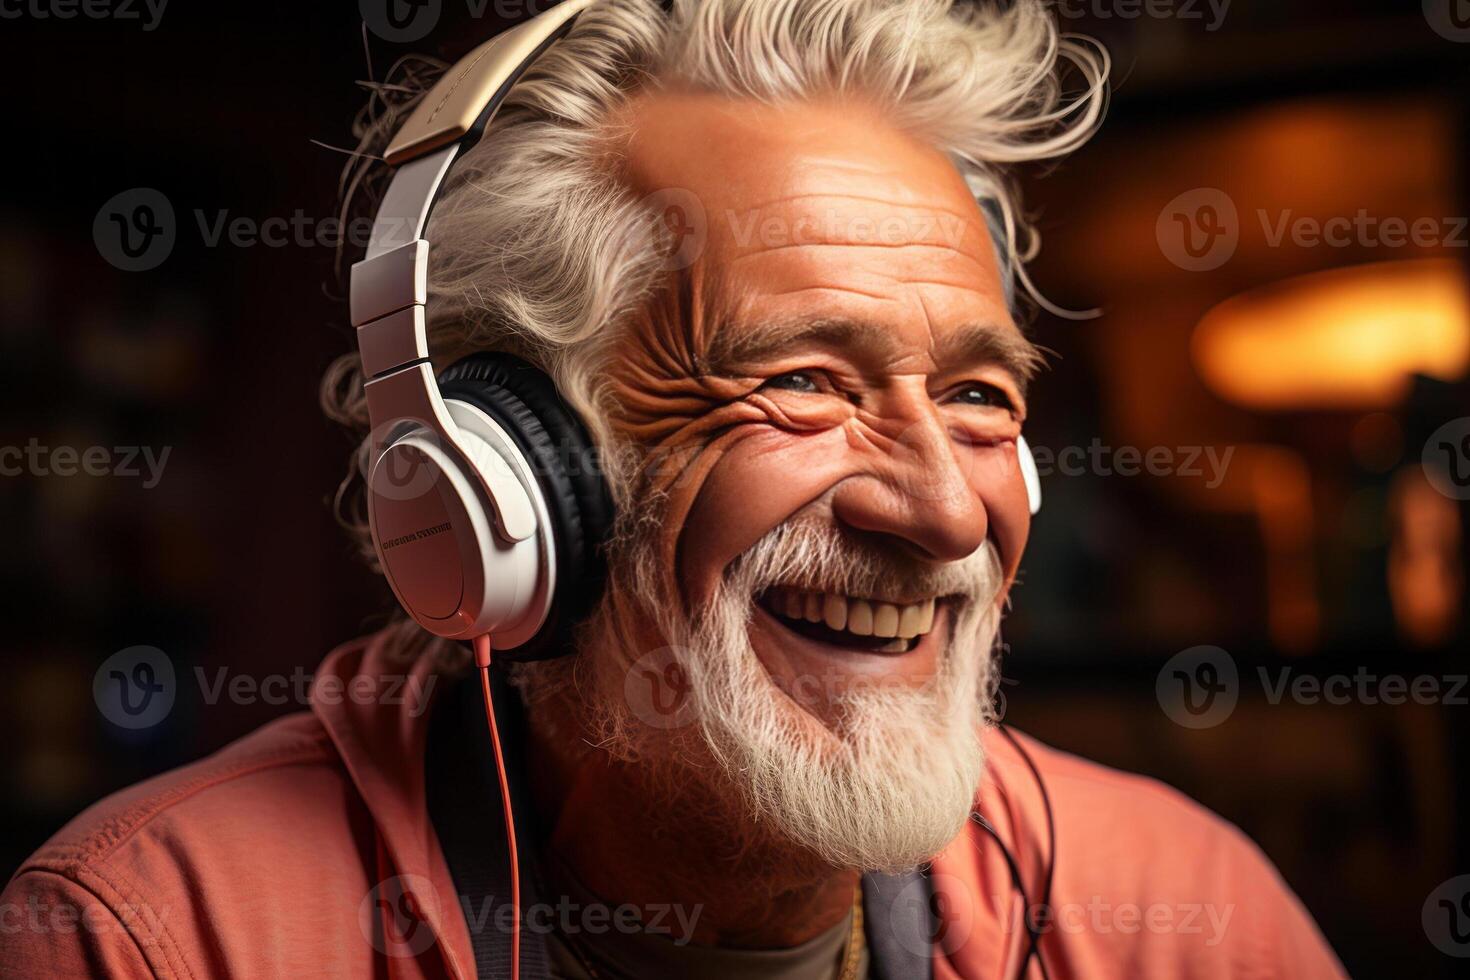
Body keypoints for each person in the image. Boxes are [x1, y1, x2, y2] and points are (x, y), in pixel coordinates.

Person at [2, 1, 1347, 977]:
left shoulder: (1186, 909)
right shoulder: (155, 936)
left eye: (975, 398)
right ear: (504, 481)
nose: (941, 513)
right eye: (802, 383)